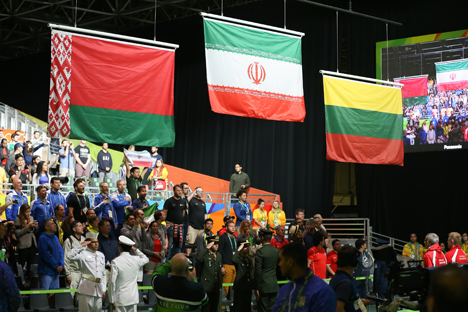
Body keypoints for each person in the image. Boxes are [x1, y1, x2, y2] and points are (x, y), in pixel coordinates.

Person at [272, 243, 337, 312]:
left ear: (290, 262)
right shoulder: (284, 290)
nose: (279, 264)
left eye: (281, 260)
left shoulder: (322, 291)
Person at [67, 232, 107, 312]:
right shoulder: (83, 253)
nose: (96, 244)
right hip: (86, 288)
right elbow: (69, 256)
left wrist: (103, 289)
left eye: (97, 242)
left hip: (98, 289)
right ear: (88, 243)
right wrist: (81, 245)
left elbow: (103, 274)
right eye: (93, 242)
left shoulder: (101, 255)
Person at [108, 236, 149, 312]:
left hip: (120, 298)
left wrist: (111, 300)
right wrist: (136, 250)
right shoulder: (136, 259)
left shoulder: (116, 261)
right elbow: (146, 259)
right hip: (133, 298)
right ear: (130, 248)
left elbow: (112, 282)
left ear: (120, 248)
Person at [329, 245, 370, 312]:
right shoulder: (344, 282)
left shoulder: (340, 277)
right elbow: (338, 309)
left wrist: (355, 302)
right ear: (354, 261)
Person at [197, 235, 224, 312]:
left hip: (215, 287)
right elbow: (199, 259)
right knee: (206, 308)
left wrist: (219, 285)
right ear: (210, 244)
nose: (216, 245)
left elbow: (218, 272)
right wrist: (206, 248)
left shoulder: (218, 256)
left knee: (214, 308)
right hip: (207, 286)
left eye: (217, 243)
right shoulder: (205, 254)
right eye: (214, 243)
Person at [255, 229, 280, 312]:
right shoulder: (276, 251)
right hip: (273, 284)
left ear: (262, 238)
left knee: (263, 309)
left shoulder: (260, 252)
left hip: (263, 286)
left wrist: (256, 288)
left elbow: (258, 271)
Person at [37, 219, 64, 290]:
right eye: (52, 224)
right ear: (47, 227)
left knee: (54, 296)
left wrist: (61, 264)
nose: (55, 225)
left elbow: (61, 251)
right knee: (44, 296)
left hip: (56, 272)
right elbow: (45, 255)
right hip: (46, 272)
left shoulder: (55, 237)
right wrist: (56, 266)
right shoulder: (42, 238)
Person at [14, 204, 38, 280]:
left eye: (29, 211)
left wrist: (35, 227)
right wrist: (27, 227)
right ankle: (21, 280)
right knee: (22, 263)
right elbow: (18, 233)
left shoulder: (31, 218)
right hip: (23, 245)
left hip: (32, 244)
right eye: (27, 212)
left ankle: (29, 279)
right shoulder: (17, 220)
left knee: (31, 264)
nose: (28, 213)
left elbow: (34, 232)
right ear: (22, 212)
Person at [163, 184, 187, 259]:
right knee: (169, 245)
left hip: (180, 227)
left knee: (179, 245)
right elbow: (164, 213)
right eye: (178, 190)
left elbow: (183, 213)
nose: (180, 192)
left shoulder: (183, 201)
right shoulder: (169, 201)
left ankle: (178, 261)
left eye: (181, 190)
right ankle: (167, 262)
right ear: (174, 191)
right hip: (171, 226)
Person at [63, 221, 85, 299]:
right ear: (74, 229)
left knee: (81, 298)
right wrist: (68, 274)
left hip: (83, 273)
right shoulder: (69, 241)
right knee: (70, 296)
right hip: (73, 272)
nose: (82, 227)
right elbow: (65, 258)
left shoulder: (84, 240)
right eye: (79, 226)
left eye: (82, 226)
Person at [232, 238, 254, 312]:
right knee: (238, 307)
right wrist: (238, 250)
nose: (247, 248)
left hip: (248, 287)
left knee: (247, 307)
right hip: (240, 287)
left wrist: (252, 285)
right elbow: (233, 260)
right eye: (245, 246)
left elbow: (251, 273)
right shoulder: (238, 258)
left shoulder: (249, 259)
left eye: (248, 246)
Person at [218, 220, 238, 300]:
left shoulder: (236, 239)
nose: (233, 228)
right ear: (226, 227)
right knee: (226, 288)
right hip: (227, 265)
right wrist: (221, 266)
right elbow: (219, 253)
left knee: (234, 288)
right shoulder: (223, 238)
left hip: (235, 266)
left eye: (234, 226)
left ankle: (232, 306)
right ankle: (224, 307)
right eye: (230, 226)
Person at [187, 186, 207, 255]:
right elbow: (186, 202)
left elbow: (205, 214)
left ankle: (197, 259)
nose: (201, 193)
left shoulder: (203, 202)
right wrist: (192, 194)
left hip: (201, 227)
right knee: (190, 243)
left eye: (202, 192)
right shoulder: (191, 200)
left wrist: (206, 223)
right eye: (199, 192)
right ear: (195, 192)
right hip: (192, 226)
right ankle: (188, 259)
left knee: (198, 245)